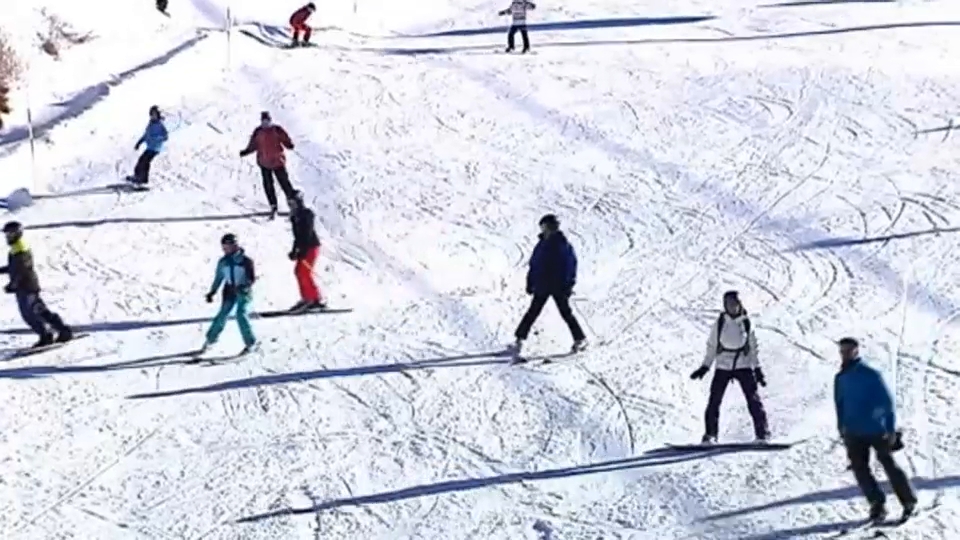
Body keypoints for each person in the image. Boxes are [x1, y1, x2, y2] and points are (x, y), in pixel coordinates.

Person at [834, 337, 916, 523]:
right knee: (860, 468)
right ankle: (877, 504)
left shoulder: (870, 374)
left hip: (875, 429)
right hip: (853, 431)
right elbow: (839, 403)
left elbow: (887, 403)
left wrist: (890, 429)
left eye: (849, 350)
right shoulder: (840, 378)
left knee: (888, 463)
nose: (845, 353)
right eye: (842, 350)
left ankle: (908, 500)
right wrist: (842, 427)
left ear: (856, 351)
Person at [690, 291, 770, 444]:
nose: (732, 307)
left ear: (740, 304)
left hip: (743, 365)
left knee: (753, 400)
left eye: (734, 304)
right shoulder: (720, 323)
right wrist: (705, 367)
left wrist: (757, 370)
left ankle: (762, 434)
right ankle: (710, 435)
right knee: (714, 400)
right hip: (723, 365)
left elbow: (753, 348)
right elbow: (712, 345)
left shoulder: (746, 322)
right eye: (729, 304)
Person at [510, 214, 587, 355]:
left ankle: (580, 339)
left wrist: (569, 284)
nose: (545, 229)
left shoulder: (562, 245)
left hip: (558, 286)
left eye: (547, 227)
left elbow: (571, 265)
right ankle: (519, 339)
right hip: (542, 285)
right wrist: (530, 282)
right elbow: (535, 264)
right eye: (544, 227)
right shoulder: (542, 243)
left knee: (566, 313)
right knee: (533, 312)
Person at [0, 221, 73, 347]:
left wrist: (13, 285)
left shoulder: (20, 250)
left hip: (25, 287)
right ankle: (62, 330)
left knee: (29, 314)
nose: (7, 237)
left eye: (10, 234)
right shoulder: (17, 249)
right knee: (40, 310)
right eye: (6, 235)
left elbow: (22, 271)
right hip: (28, 286)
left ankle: (46, 335)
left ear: (17, 234)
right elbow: (14, 268)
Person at [201, 233, 257, 353]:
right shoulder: (223, 262)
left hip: (243, 292)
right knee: (222, 314)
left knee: (241, 314)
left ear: (235, 246)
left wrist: (244, 287)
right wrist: (212, 292)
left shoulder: (246, 261)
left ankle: (250, 342)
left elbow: (251, 278)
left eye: (228, 247)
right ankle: (211, 339)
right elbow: (219, 278)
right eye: (224, 248)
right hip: (229, 291)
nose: (225, 250)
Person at [239, 111, 297, 219]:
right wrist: (246, 151)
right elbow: (254, 144)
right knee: (268, 185)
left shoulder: (276, 130)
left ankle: (293, 204)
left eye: (267, 121)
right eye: (264, 121)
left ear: (270, 120)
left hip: (278, 162)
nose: (265, 123)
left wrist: (289, 144)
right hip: (264, 163)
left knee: (285, 183)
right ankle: (273, 205)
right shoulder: (258, 132)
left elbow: (285, 139)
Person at [287, 190, 326, 312]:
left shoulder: (306, 214)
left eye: (292, 202)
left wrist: (302, 250)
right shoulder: (294, 216)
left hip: (311, 247)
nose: (290, 205)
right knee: (299, 272)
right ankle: (308, 298)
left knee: (304, 272)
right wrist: (294, 250)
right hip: (304, 248)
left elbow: (307, 233)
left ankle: (313, 299)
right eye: (289, 203)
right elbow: (297, 236)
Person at [131, 105, 168, 186]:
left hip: (155, 148)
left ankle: (144, 179)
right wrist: (139, 142)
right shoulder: (150, 124)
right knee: (141, 160)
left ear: (158, 115)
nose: (153, 116)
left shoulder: (160, 125)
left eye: (155, 114)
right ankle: (137, 176)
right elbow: (146, 135)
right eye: (152, 114)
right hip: (150, 147)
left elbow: (165, 137)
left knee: (145, 162)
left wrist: (157, 138)